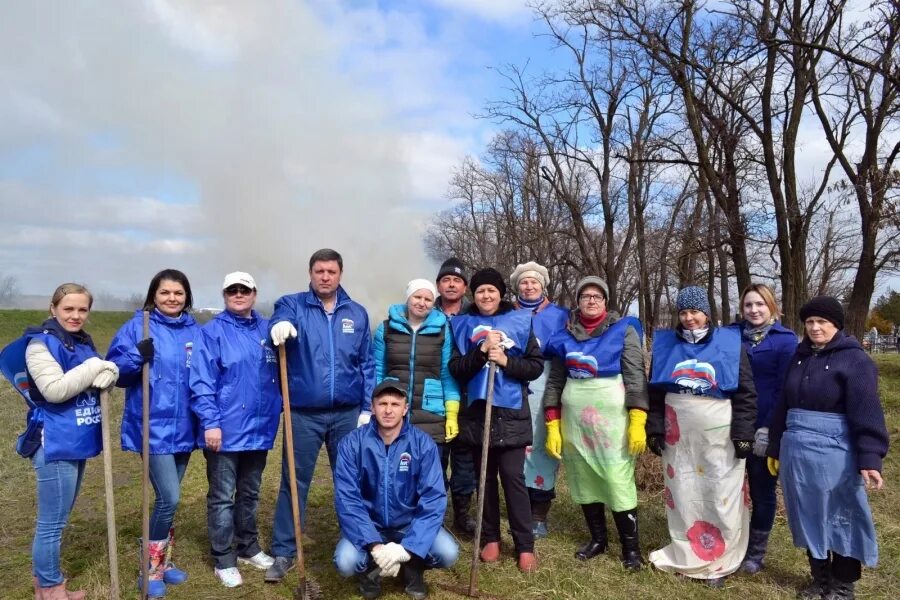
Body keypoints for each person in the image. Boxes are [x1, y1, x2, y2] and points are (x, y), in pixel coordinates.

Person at [0, 284, 118, 600]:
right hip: (54, 442)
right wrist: (95, 366)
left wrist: (109, 369)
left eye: (82, 310)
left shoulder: (81, 343)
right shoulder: (39, 345)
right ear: (54, 309)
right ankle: (50, 588)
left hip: (75, 439)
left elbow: (91, 376)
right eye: (68, 309)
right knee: (51, 524)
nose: (76, 315)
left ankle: (46, 584)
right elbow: (54, 389)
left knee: (60, 519)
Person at [767, 296, 889, 600]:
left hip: (836, 450)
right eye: (809, 322)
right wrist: (773, 445)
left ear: (836, 325)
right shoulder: (799, 357)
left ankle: (842, 584)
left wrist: (870, 456)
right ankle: (819, 579)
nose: (815, 327)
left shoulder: (855, 360)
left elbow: (867, 410)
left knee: (841, 514)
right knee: (808, 514)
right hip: (797, 449)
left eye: (822, 322)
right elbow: (783, 404)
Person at [265, 248, 375, 581]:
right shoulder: (292, 305)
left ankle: (357, 544)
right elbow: (276, 320)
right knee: (294, 482)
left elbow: (367, 363)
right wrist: (279, 325)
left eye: (331, 271)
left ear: (340, 274)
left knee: (352, 480)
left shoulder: (356, 313)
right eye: (319, 271)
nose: (325, 277)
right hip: (303, 412)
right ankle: (284, 552)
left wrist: (368, 407)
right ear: (310, 273)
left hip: (347, 413)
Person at [646, 286, 757, 587]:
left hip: (718, 431)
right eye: (683, 313)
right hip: (677, 431)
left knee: (719, 489)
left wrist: (744, 433)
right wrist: (654, 428)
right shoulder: (667, 346)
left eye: (694, 311)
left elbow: (746, 394)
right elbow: (654, 393)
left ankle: (719, 560)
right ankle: (686, 551)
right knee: (682, 488)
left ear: (706, 313)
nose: (689, 318)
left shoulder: (731, 343)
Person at [543, 276, 648, 569]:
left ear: (605, 301)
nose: (591, 300)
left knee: (617, 479)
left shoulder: (623, 329)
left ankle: (631, 549)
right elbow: (555, 381)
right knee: (584, 478)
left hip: (611, 421)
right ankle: (598, 540)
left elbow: (635, 374)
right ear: (577, 302)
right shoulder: (564, 337)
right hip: (575, 421)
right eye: (585, 295)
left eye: (597, 296)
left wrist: (638, 417)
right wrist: (552, 422)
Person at [107, 268, 198, 598]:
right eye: (165, 293)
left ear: (187, 296)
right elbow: (115, 373)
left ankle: (165, 562)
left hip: (185, 427)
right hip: (152, 427)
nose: (172, 298)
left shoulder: (194, 330)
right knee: (170, 497)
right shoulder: (138, 326)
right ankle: (150, 568)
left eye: (178, 293)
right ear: (153, 295)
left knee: (167, 501)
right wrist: (136, 355)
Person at [449, 267, 544, 572]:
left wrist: (505, 360)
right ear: (472, 295)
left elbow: (535, 366)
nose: (486, 296)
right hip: (478, 414)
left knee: (514, 479)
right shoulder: (463, 324)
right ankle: (490, 537)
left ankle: (524, 543)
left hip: (512, 415)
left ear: (501, 293)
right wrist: (480, 353)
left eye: (491, 290)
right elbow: (456, 369)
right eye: (479, 291)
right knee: (485, 478)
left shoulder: (519, 321)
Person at [189, 272, 281, 587]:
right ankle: (223, 557)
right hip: (224, 430)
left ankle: (248, 546)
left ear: (254, 294)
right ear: (225, 294)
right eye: (232, 290)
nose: (238, 294)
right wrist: (210, 423)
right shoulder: (211, 332)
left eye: (244, 290)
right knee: (222, 496)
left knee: (250, 492)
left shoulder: (268, 328)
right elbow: (201, 382)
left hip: (260, 427)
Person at [333, 380, 459, 600]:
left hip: (409, 524)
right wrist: (375, 547)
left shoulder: (423, 444)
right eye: (382, 404)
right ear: (372, 407)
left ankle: (412, 566)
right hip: (369, 525)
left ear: (405, 408)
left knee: (448, 553)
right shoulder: (351, 444)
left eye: (395, 403)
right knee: (346, 562)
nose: (388, 410)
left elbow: (433, 498)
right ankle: (371, 570)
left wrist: (407, 549)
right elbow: (347, 499)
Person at [726, 284, 797, 574]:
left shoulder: (785, 341)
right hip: (728, 422)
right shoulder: (730, 337)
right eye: (748, 305)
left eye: (760, 305)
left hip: (764, 427)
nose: (754, 310)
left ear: (772, 307)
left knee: (762, 490)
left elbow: (786, 389)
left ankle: (755, 552)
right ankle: (727, 544)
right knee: (725, 488)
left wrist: (770, 428)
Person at [372, 278, 461, 470]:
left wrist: (452, 415)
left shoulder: (443, 331)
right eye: (417, 297)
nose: (422, 303)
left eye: (428, 299)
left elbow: (448, 375)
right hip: (393, 413)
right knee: (395, 473)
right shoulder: (386, 329)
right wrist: (373, 407)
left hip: (432, 415)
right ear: (408, 298)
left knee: (431, 474)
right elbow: (377, 372)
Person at [509, 261, 568, 538]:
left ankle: (539, 514)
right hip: (513, 381)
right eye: (524, 282)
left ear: (543, 286)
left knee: (543, 446)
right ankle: (517, 508)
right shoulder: (508, 313)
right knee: (515, 447)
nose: (529, 286)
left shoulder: (560, 315)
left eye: (534, 282)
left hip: (547, 381)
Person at [434, 257, 477, 534]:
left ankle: (462, 515)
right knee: (435, 460)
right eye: (446, 279)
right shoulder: (426, 312)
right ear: (439, 285)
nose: (451, 284)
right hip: (436, 398)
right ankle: (433, 515)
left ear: (465, 287)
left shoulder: (474, 317)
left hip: (469, 396)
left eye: (457, 280)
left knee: (465, 462)